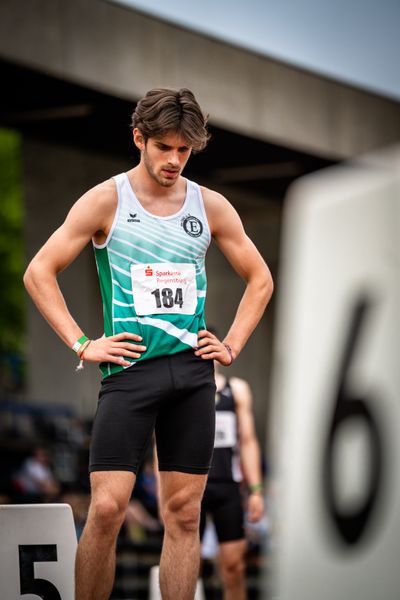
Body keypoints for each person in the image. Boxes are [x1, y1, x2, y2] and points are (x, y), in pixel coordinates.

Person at [23, 87, 273, 600]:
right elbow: (39, 271)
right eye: (165, 147)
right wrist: (81, 343)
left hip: (193, 374)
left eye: (185, 150)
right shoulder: (106, 199)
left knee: (183, 514)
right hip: (131, 371)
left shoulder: (211, 206)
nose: (175, 160)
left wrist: (230, 345)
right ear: (139, 138)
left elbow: (261, 278)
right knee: (109, 508)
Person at [200, 343, 265, 600]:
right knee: (188, 565)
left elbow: (248, 440)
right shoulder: (184, 387)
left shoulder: (236, 390)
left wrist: (256, 490)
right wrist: (163, 492)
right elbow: (164, 443)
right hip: (191, 488)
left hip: (227, 486)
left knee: (234, 566)